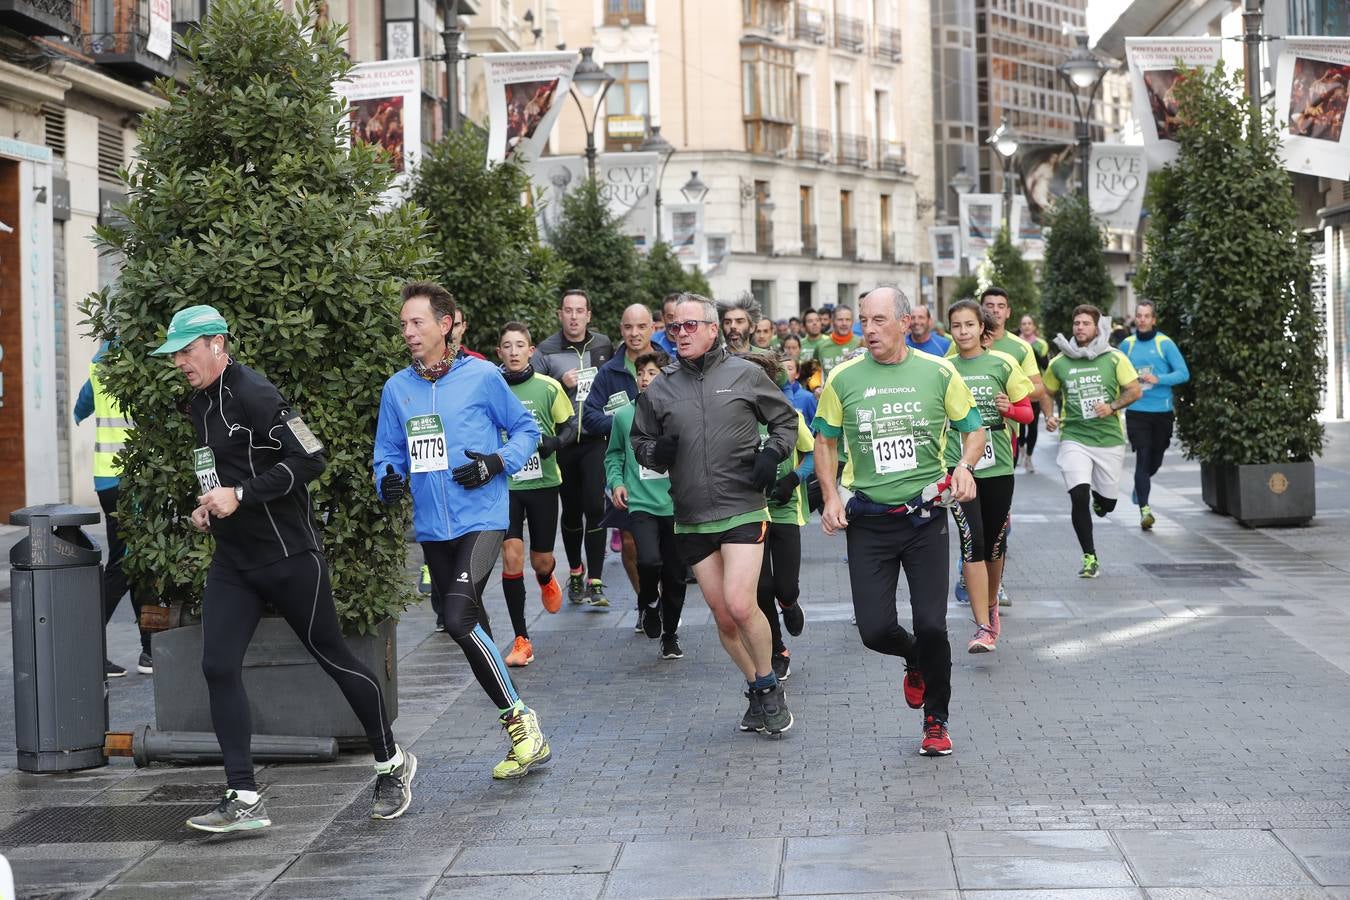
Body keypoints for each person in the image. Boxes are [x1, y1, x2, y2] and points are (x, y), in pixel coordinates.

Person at [149, 305, 411, 832]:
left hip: (289, 556)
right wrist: (209, 505)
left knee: (334, 658)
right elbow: (222, 473)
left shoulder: (256, 393)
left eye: (186, 350)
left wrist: (240, 495)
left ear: (217, 343)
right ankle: (244, 797)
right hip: (234, 562)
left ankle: (392, 764)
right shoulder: (199, 405)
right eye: (174, 353)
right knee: (218, 666)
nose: (179, 361)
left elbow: (312, 458)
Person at [376, 282, 551, 779]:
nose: (408, 331)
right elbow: (387, 452)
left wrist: (497, 462)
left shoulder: (482, 377)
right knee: (470, 624)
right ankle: (524, 735)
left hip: (483, 517)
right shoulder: (398, 389)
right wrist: (386, 479)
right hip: (433, 527)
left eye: (418, 322)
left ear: (445, 324)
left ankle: (522, 723)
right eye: (405, 323)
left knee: (455, 617)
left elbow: (526, 431)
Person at [813, 286, 985, 757]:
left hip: (924, 518)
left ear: (906, 323)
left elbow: (974, 429)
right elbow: (824, 442)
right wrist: (830, 497)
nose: (868, 329)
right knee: (874, 631)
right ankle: (914, 660)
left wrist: (965, 467)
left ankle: (936, 719)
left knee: (932, 625)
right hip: (868, 521)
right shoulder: (843, 378)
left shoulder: (938, 372)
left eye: (879, 320)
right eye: (864, 320)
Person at [631, 293, 799, 736]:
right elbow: (640, 442)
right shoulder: (660, 387)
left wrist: (772, 454)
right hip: (691, 515)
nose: (681, 334)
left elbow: (786, 422)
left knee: (743, 605)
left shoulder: (745, 373)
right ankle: (757, 686)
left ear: (712, 329)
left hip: (742, 504)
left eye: (690, 326)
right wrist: (656, 451)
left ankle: (770, 684)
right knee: (723, 615)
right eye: (674, 328)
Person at [944, 301, 1034, 653]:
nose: (963, 332)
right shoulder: (943, 368)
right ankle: (983, 626)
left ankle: (992, 605)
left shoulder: (1003, 363)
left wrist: (1007, 409)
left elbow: (1026, 413)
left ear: (983, 328)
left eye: (969, 325)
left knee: (995, 544)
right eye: (956, 326)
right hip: (959, 468)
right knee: (973, 543)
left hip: (997, 468)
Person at [1041, 305, 1142, 578]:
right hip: (1074, 437)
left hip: (1108, 438)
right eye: (1076, 323)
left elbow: (1134, 390)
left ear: (1097, 328)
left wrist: (1112, 406)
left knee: (1107, 504)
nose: (1080, 328)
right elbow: (1046, 392)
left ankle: (1103, 501)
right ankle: (1089, 556)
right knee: (1078, 494)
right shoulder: (1060, 362)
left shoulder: (1114, 358)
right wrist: (1049, 416)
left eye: (1086, 323)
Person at [74, 341, 154, 677]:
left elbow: (82, 407)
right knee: (125, 564)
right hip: (132, 481)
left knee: (140, 564)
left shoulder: (99, 362)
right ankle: (82, 648)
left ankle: (150, 651)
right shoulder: (144, 359)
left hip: (107, 479)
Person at [531, 289, 615, 606]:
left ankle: (595, 579)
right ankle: (575, 572)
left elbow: (613, 380)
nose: (574, 316)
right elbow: (534, 390)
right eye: (568, 310)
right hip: (563, 442)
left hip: (594, 438)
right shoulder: (547, 350)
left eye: (580, 310)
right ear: (560, 314)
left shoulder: (604, 344)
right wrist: (559, 386)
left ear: (589, 315)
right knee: (572, 510)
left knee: (596, 507)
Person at [496, 322, 573, 667]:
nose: (513, 352)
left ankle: (546, 577)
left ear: (531, 352)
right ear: (499, 352)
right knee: (512, 556)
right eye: (507, 346)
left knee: (540, 559)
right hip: (505, 485)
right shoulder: (491, 387)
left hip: (543, 484)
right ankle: (521, 639)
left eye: (520, 345)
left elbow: (570, 426)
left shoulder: (548, 386)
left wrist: (554, 443)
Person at [606, 349, 687, 660]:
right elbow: (613, 454)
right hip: (641, 504)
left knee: (676, 575)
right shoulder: (625, 415)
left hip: (677, 505)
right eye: (640, 374)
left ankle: (670, 635)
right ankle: (649, 601)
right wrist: (617, 483)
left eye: (651, 373)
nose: (644, 379)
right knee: (649, 561)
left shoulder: (678, 415)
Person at [739, 353, 815, 681]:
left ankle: (790, 603)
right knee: (761, 587)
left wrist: (793, 479)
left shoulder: (789, 414)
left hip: (784, 509)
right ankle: (777, 649)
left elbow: (812, 453)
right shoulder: (733, 419)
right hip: (749, 510)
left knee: (784, 586)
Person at [583, 303, 659, 624]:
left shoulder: (666, 366)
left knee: (665, 546)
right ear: (621, 330)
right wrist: (621, 423)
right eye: (628, 327)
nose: (634, 333)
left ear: (652, 328)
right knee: (629, 543)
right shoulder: (609, 372)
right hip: (625, 470)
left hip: (662, 472)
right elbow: (588, 416)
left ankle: (665, 600)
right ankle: (646, 605)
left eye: (641, 326)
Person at [1120, 300, 1190, 530]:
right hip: (1137, 410)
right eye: (1139, 315)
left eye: (1146, 316)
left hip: (1162, 411)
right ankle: (1145, 510)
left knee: (1155, 461)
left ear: (1153, 320)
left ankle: (1140, 487)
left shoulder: (1164, 344)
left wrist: (1159, 379)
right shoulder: (1126, 346)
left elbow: (1183, 373)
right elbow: (1114, 374)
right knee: (1143, 456)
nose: (1142, 319)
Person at [1016, 314, 1051, 473]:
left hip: (1034, 389)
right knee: (1019, 426)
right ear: (1020, 326)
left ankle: (1029, 456)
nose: (1027, 326)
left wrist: (1032, 351)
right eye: (1024, 323)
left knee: (1033, 425)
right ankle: (1021, 449)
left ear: (1034, 326)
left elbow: (1045, 366)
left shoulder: (1041, 344)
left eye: (1029, 323)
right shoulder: (1015, 342)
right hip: (1017, 389)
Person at [814, 304, 861, 383]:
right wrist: (816, 386)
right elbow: (815, 371)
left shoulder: (861, 344)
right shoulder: (821, 346)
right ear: (832, 321)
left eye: (848, 319)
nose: (844, 323)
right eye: (840, 319)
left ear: (852, 322)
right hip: (829, 393)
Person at [781, 355, 817, 423]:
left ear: (797, 374)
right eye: (781, 368)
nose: (785, 372)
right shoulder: (772, 395)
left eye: (790, 369)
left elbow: (816, 427)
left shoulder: (808, 398)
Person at [652, 293, 682, 357]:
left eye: (680, 316)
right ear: (663, 318)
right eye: (670, 317)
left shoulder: (696, 341)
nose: (675, 322)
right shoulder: (653, 342)